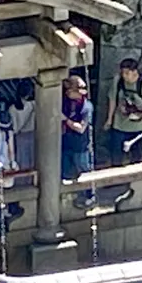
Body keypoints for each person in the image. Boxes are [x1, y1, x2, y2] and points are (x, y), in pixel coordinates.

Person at [103, 58, 142, 167]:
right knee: (116, 153)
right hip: (119, 124)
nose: (125, 76)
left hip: (138, 126)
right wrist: (109, 119)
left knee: (136, 155)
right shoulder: (118, 81)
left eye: (127, 73)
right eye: (123, 73)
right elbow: (112, 99)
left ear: (135, 72)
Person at [61, 75, 94, 206]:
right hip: (66, 143)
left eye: (70, 91)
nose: (68, 93)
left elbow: (81, 128)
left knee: (84, 171)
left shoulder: (86, 107)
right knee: (65, 171)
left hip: (80, 145)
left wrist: (65, 119)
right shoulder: (66, 102)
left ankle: (90, 196)